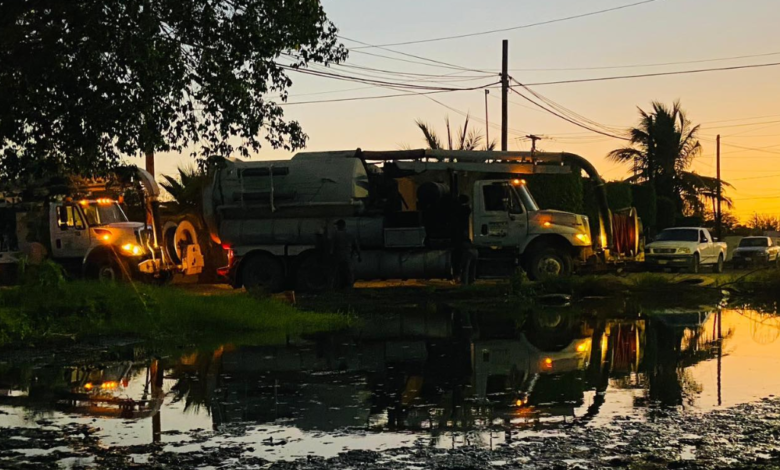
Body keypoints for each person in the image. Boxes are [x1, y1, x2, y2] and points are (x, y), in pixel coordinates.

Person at [332, 219, 361, 290]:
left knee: (337, 272)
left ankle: (338, 286)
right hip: (347, 256)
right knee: (349, 271)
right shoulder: (350, 234)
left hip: (338, 256)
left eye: (337, 225)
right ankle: (349, 286)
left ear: (340, 225)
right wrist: (359, 256)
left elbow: (332, 247)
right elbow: (356, 246)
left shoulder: (335, 234)